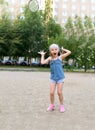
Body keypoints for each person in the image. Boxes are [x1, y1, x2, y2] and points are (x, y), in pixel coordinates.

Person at [38, 44, 71, 112]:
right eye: (52, 50)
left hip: (60, 78)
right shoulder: (50, 58)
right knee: (51, 93)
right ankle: (52, 105)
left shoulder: (60, 57)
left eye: (56, 49)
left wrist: (63, 49)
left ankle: (62, 105)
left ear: (58, 51)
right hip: (53, 78)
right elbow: (42, 62)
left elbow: (69, 52)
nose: (54, 51)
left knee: (59, 92)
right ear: (50, 52)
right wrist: (42, 55)